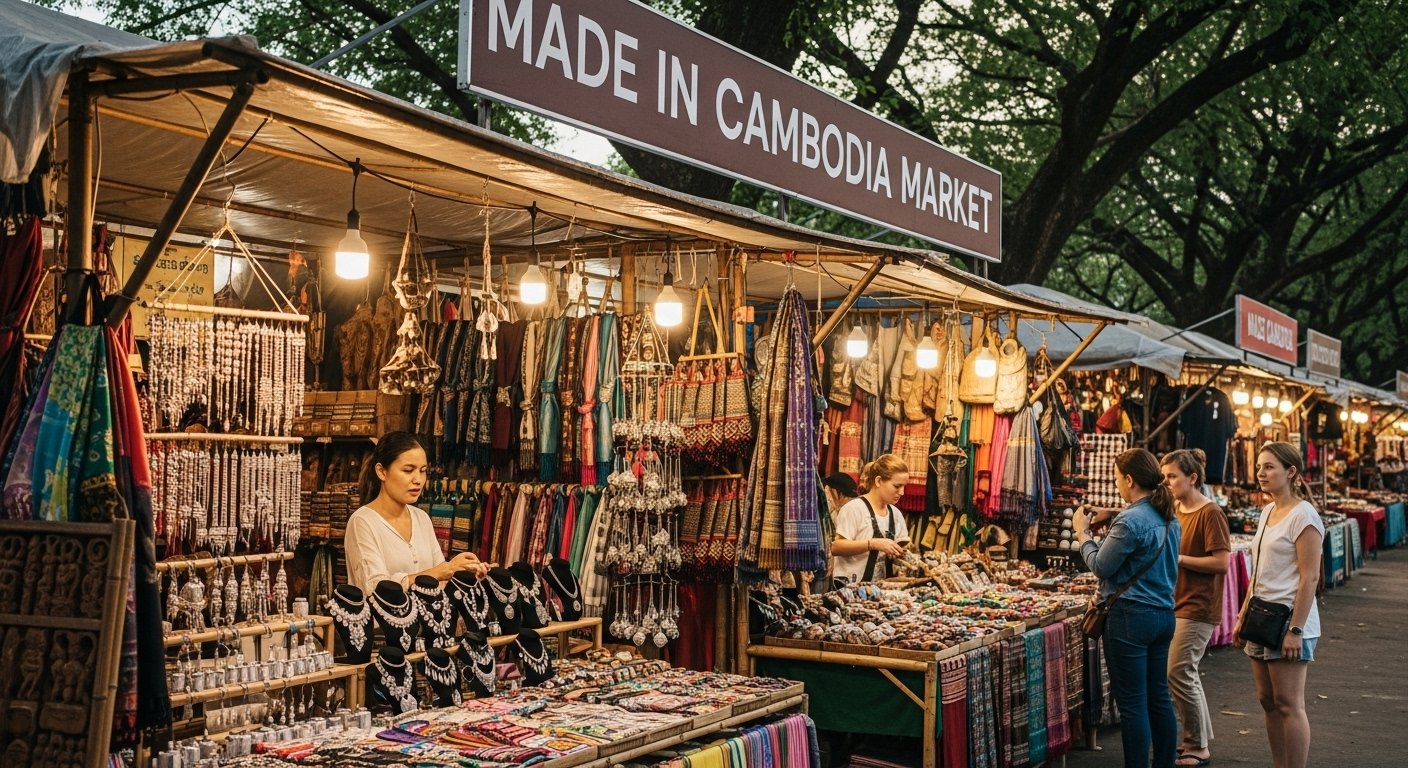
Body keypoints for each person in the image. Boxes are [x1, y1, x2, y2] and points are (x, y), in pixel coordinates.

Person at [1074, 448, 1180, 768]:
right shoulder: (1168, 518)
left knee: (1133, 704)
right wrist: (1114, 513)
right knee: (1158, 698)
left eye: (1118, 479)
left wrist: (1082, 533)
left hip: (1131, 618)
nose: (1117, 484)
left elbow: (1101, 567)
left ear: (1130, 480)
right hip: (1163, 615)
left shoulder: (1131, 521)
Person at [1236, 441, 1323, 768]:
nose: (1261, 473)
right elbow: (1259, 572)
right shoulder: (1268, 511)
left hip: (1289, 622)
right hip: (1260, 618)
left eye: (1269, 466)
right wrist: (1242, 614)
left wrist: (1295, 630)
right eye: (1259, 466)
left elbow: (1309, 577)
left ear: (1291, 472)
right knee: (1268, 702)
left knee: (1289, 704)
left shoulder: (1304, 516)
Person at [345, 432, 489, 594]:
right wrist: (441, 571)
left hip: (428, 618)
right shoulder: (362, 522)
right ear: (381, 472)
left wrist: (465, 572)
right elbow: (373, 587)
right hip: (383, 619)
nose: (418, 480)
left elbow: (441, 578)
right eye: (408, 470)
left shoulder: (421, 518)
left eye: (422, 470)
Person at [1161, 449, 1231, 767]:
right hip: (1174, 601)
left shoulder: (1210, 513)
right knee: (1183, 672)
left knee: (1178, 670)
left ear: (1192, 478)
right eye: (1164, 476)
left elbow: (1222, 562)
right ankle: (1198, 738)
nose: (1167, 482)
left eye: (1172, 476)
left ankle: (1197, 744)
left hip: (1198, 605)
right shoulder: (1174, 509)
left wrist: (1180, 560)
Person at [830, 455, 911, 584]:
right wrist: (873, 544)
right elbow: (836, 547)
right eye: (897, 486)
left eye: (904, 486)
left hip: (884, 593)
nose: (902, 492)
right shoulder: (854, 509)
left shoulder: (895, 514)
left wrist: (899, 553)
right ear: (878, 481)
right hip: (851, 592)